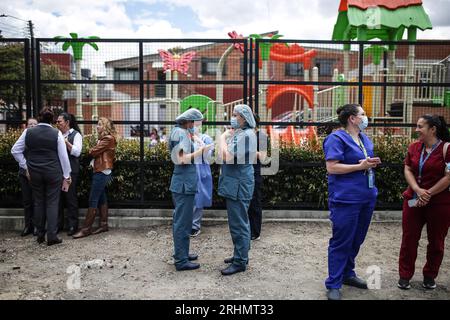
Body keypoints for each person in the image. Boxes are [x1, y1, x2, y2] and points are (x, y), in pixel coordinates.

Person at [322, 104, 382, 300]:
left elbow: (362, 163)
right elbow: (332, 168)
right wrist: (361, 166)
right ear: (352, 119)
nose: (366, 117)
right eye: (363, 114)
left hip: (366, 197)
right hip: (346, 199)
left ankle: (347, 273)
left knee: (357, 238)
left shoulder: (364, 138)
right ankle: (334, 283)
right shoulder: (336, 139)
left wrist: (369, 164)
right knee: (342, 240)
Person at [398, 115, 450, 290]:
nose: (416, 129)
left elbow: (449, 177)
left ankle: (430, 276)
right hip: (413, 199)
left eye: (420, 126)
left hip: (439, 203)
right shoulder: (414, 147)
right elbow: (407, 168)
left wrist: (428, 193)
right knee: (409, 239)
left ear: (432, 129)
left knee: (436, 242)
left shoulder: (447, 149)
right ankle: (405, 276)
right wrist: (417, 190)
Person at [11, 107, 72, 246]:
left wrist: (25, 166)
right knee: (52, 203)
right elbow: (63, 157)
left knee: (38, 201)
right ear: (52, 120)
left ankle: (39, 234)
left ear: (39, 118)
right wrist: (67, 176)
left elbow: (15, 150)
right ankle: (52, 236)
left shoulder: (28, 131)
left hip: (34, 173)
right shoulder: (56, 133)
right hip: (53, 172)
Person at [169, 108, 212, 271]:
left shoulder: (180, 132)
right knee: (182, 222)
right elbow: (181, 159)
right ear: (189, 121)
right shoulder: (181, 133)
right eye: (194, 122)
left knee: (184, 221)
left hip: (183, 183)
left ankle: (183, 253)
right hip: (183, 185)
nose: (196, 125)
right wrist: (201, 151)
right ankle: (181, 260)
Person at [218, 104, 257, 276]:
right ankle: (240, 255)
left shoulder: (245, 135)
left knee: (238, 223)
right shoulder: (243, 133)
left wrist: (222, 138)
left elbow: (227, 157)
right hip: (237, 182)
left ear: (243, 117)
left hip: (238, 185)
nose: (232, 117)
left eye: (235, 115)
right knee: (240, 221)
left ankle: (240, 261)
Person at [73, 117, 117, 239]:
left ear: (105, 126)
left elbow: (93, 152)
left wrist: (91, 149)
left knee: (93, 199)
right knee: (102, 198)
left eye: (99, 124)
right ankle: (104, 224)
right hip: (101, 170)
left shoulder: (107, 139)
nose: (97, 126)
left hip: (102, 171)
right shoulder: (104, 138)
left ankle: (86, 229)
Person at [56, 112, 82, 236]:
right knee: (58, 199)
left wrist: (66, 142)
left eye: (59, 121)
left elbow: (77, 152)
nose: (57, 123)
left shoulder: (76, 135)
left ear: (67, 122)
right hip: (57, 171)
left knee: (70, 198)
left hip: (71, 171)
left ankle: (73, 225)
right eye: (56, 121)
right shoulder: (56, 134)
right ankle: (58, 225)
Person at [190, 121, 214, 237]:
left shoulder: (206, 138)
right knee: (187, 197)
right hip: (188, 169)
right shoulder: (184, 137)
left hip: (201, 169)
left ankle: (195, 225)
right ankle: (185, 224)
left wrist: (200, 143)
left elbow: (208, 157)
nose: (193, 126)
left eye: (195, 124)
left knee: (199, 198)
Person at [247, 113, 267, 241]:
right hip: (244, 173)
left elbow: (263, 157)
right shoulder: (245, 135)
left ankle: (255, 231)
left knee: (255, 202)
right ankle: (246, 230)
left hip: (254, 173)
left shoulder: (262, 136)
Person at [16, 118, 38, 236]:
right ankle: (27, 226)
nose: (33, 126)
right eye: (30, 124)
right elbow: (16, 152)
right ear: (26, 126)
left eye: (35, 124)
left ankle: (36, 226)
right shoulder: (23, 138)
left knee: (36, 200)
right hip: (24, 172)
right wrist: (25, 168)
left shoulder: (40, 139)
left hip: (36, 173)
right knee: (27, 200)